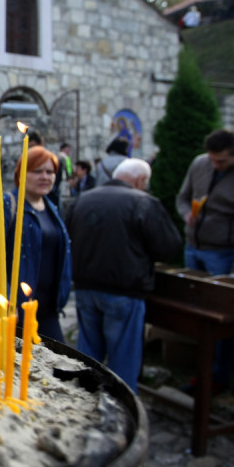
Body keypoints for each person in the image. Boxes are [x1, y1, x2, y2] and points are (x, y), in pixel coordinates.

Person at [65, 158, 182, 392]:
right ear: (140, 180)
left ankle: (84, 400)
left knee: (88, 357)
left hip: (86, 288)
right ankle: (121, 408)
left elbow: (67, 237)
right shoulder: (143, 202)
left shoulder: (83, 200)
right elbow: (169, 247)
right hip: (124, 291)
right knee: (123, 362)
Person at [175, 128, 234, 393]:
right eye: (212, 159)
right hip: (193, 247)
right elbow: (182, 198)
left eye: (222, 161)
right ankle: (198, 369)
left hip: (223, 254)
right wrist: (186, 215)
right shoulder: (199, 164)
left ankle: (218, 377)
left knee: (221, 319)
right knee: (196, 314)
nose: (216, 165)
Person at [0, 146, 72, 343]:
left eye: (50, 172)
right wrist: (5, 299)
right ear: (21, 174)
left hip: (47, 310)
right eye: (37, 171)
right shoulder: (4, 204)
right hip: (15, 309)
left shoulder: (52, 208)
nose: (45, 177)